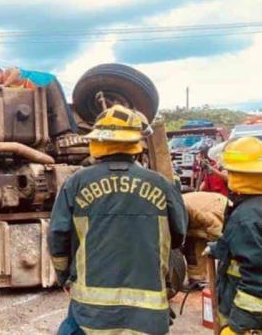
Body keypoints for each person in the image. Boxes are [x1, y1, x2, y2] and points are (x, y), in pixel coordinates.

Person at [48, 105, 188, 335]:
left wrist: (64, 277)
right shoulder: (161, 184)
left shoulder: (76, 183)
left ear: (97, 142)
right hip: (148, 311)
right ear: (135, 143)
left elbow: (57, 236)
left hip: (90, 312)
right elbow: (179, 235)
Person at [206, 137, 262, 334]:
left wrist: (241, 325)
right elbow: (244, 247)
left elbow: (257, 277)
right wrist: (218, 248)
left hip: (248, 318)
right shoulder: (252, 207)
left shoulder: (246, 216)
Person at [0, 65, 80, 145]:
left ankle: (68, 132)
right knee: (44, 113)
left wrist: (5, 84)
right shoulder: (8, 87)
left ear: (0, 72)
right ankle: (55, 136)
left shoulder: (8, 73)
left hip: (45, 81)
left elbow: (16, 72)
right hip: (38, 93)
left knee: (57, 107)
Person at [182, 191, 227, 288]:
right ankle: (196, 279)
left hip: (216, 207)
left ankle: (225, 279)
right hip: (197, 212)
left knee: (220, 245)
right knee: (191, 245)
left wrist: (213, 247)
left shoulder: (202, 214)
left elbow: (218, 233)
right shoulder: (176, 208)